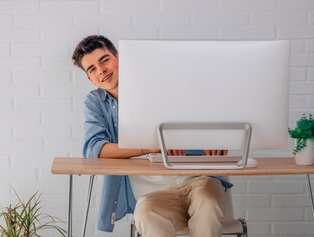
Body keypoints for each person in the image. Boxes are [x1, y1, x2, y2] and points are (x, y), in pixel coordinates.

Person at [72, 35, 233, 237]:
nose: (101, 70)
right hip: (153, 196)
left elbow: (206, 112)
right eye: (92, 69)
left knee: (209, 201)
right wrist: (149, 145)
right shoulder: (96, 102)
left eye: (104, 60)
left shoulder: (160, 83)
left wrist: (216, 137)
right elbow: (95, 150)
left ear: (120, 57)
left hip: (198, 181)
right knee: (146, 213)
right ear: (89, 78)